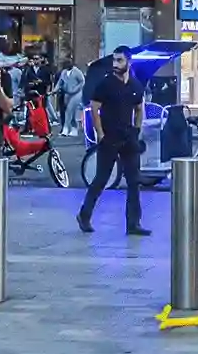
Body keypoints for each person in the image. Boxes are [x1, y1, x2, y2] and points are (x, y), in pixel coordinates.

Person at [77, 47, 150, 236]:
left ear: (128, 62)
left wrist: (137, 129)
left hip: (129, 137)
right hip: (109, 137)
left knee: (134, 181)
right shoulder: (105, 84)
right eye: (114, 61)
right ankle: (84, 215)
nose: (115, 64)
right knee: (101, 179)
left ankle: (133, 223)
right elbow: (94, 108)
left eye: (119, 61)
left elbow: (139, 108)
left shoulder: (135, 85)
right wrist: (100, 133)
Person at [56, 58, 85, 137]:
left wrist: (76, 89)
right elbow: (60, 82)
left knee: (69, 110)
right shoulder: (64, 72)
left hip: (77, 93)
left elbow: (82, 81)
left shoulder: (77, 71)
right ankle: (74, 129)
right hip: (67, 93)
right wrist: (54, 90)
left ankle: (65, 129)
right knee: (71, 111)